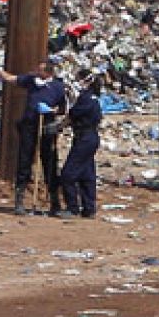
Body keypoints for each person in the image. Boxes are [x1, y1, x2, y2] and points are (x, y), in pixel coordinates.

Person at [0, 59, 67, 216]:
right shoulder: (31, 81)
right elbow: (11, 79)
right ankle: (19, 200)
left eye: (40, 70)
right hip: (28, 125)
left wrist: (51, 111)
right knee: (24, 160)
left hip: (46, 126)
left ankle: (54, 202)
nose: (37, 72)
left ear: (48, 72)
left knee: (49, 162)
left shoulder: (57, 87)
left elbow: (62, 109)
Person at [57, 71, 103, 218]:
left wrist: (58, 127)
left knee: (68, 174)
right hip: (88, 137)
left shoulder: (87, 99)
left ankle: (72, 208)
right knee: (86, 174)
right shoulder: (90, 97)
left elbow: (73, 114)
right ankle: (89, 208)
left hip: (85, 138)